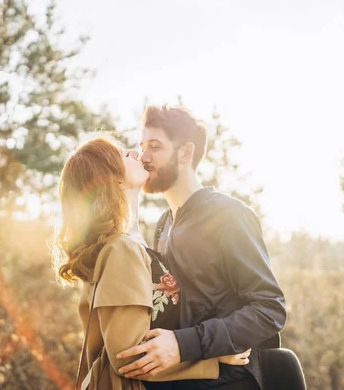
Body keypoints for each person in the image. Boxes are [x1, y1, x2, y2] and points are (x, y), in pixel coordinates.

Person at [54, 137, 250, 390]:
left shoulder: (131, 245)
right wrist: (214, 359)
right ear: (113, 179)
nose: (136, 153)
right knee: (279, 368)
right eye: (124, 155)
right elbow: (130, 356)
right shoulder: (121, 249)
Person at [116, 105, 287, 389]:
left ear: (185, 153)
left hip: (228, 381)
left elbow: (270, 309)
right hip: (180, 375)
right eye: (142, 146)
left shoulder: (229, 216)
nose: (144, 157)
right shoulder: (162, 223)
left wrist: (185, 345)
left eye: (155, 147)